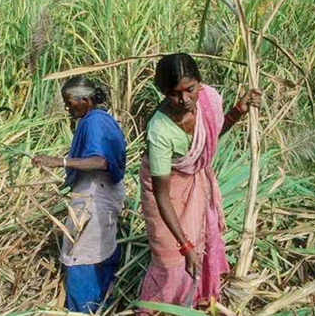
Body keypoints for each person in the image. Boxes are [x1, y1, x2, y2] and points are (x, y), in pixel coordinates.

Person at [138, 53, 262, 310]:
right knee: (169, 259)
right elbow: (162, 196)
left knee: (200, 247)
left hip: (194, 182)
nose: (184, 99)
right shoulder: (160, 129)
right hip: (166, 192)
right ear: (162, 91)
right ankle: (159, 310)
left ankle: (192, 302)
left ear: (199, 83)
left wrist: (238, 110)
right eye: (174, 93)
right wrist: (184, 245)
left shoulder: (207, 100)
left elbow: (212, 135)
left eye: (189, 89)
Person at [32, 76, 126, 314]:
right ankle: (102, 305)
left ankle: (83, 309)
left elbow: (100, 160)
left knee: (81, 254)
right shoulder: (101, 120)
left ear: (84, 99)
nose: (67, 107)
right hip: (103, 193)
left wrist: (59, 162)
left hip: (95, 193)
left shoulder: (93, 122)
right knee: (100, 249)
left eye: (69, 101)